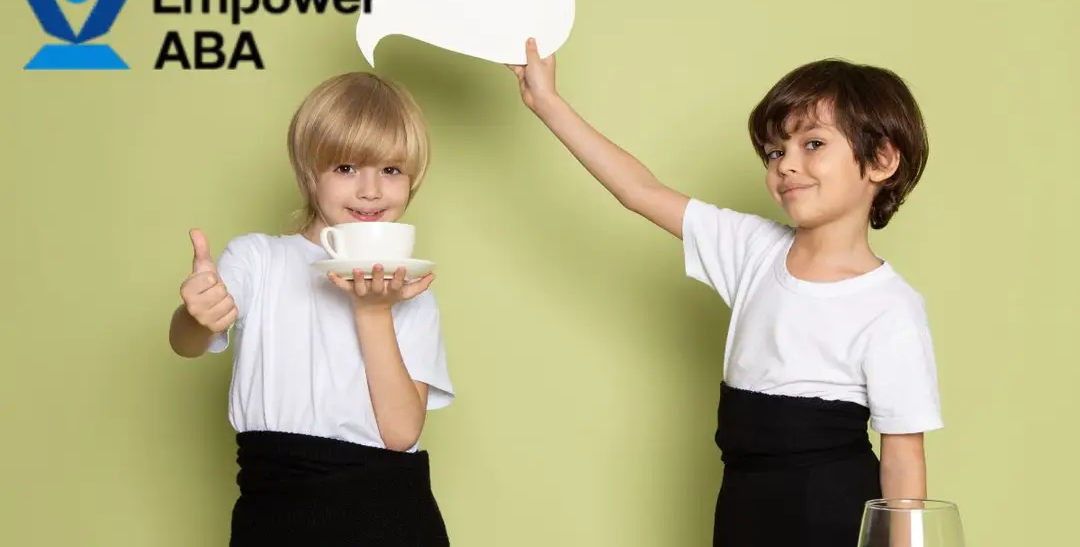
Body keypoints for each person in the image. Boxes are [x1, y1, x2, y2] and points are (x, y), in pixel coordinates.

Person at [507, 38, 943, 546]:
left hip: (833, 513)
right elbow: (640, 191)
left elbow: (903, 456)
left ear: (882, 160)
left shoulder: (891, 308)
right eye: (776, 150)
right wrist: (548, 103)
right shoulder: (752, 250)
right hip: (742, 506)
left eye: (813, 144)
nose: (785, 164)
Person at [167, 72, 455, 546]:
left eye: (391, 169)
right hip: (273, 508)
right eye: (345, 167)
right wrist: (197, 315)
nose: (370, 190)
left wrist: (374, 311)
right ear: (309, 173)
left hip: (387, 518)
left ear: (412, 179)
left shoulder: (411, 290)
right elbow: (187, 342)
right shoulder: (259, 259)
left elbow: (401, 434)